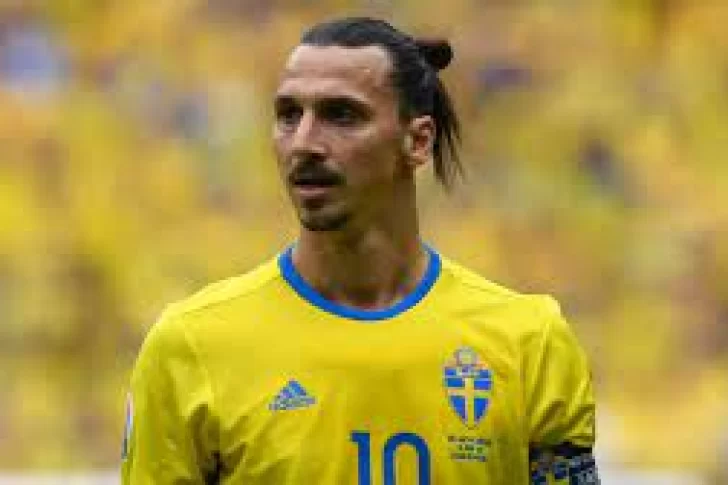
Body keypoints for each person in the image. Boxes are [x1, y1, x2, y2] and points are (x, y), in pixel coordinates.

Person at [121, 16, 599, 484]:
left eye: (341, 115)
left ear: (418, 140)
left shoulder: (529, 343)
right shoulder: (192, 347)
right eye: (288, 115)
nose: (304, 143)